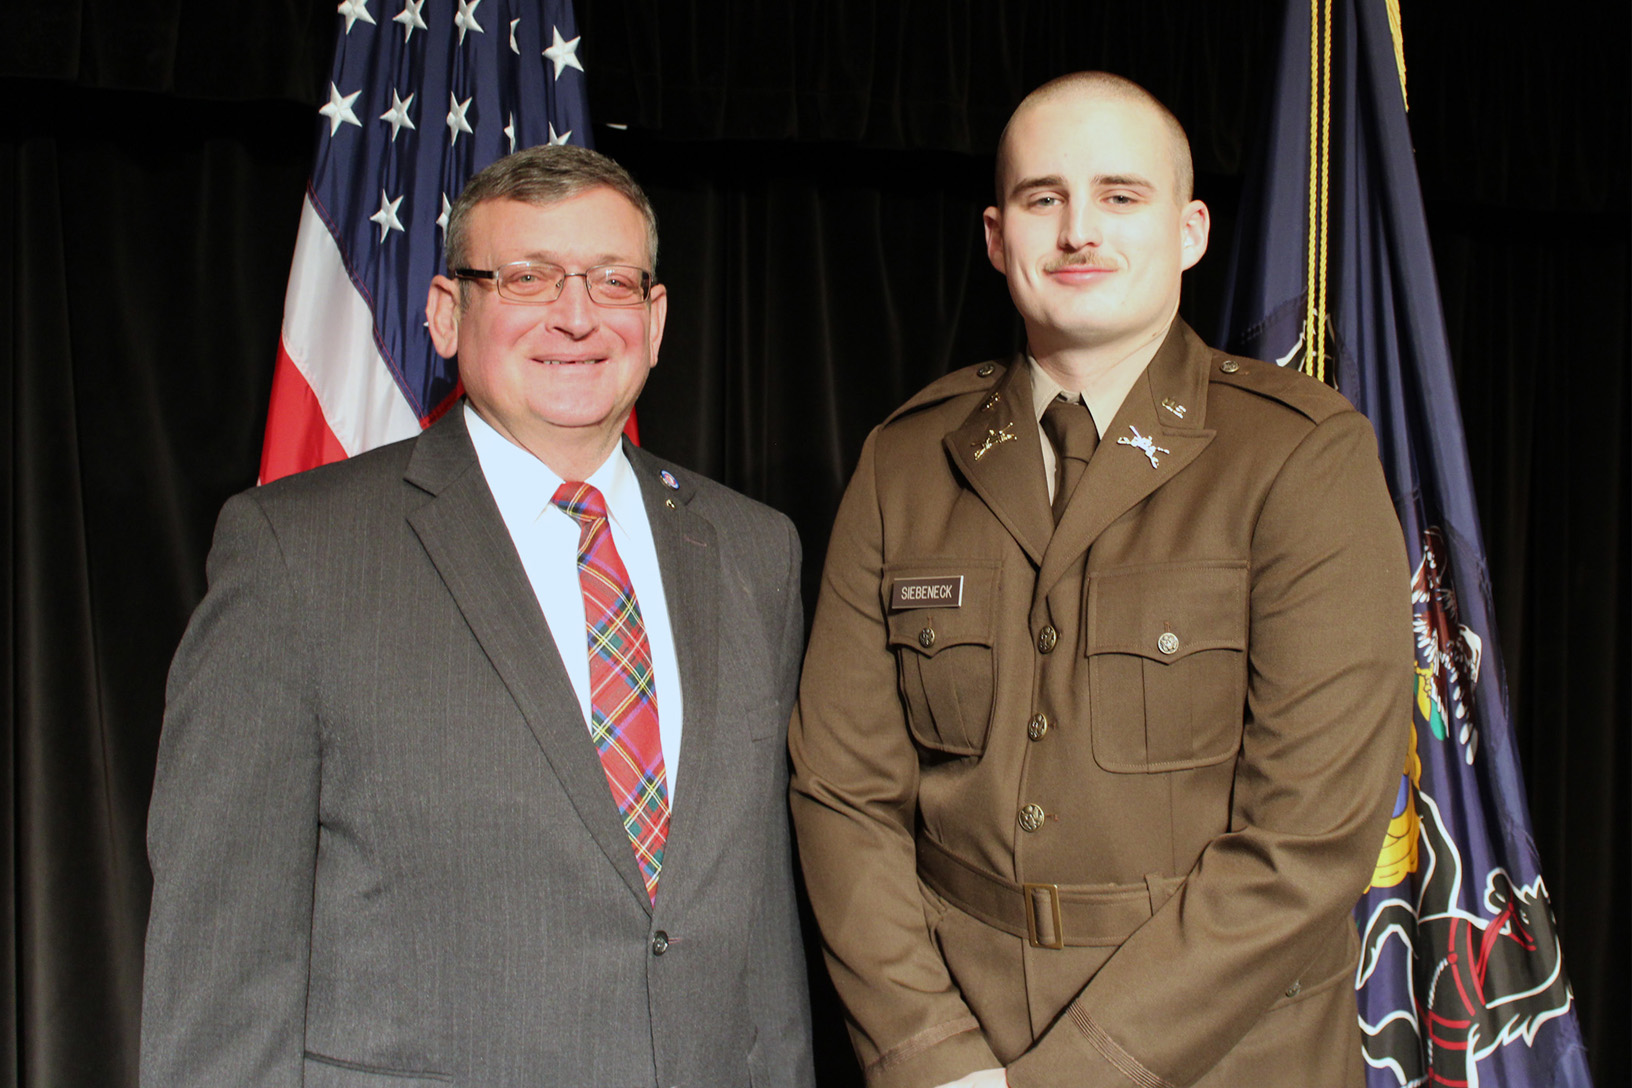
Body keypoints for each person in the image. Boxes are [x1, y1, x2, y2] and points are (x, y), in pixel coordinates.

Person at [141, 145, 814, 1088]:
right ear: (448, 313)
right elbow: (221, 959)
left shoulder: (754, 551)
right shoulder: (293, 553)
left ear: (655, 321)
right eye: (528, 277)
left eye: (612, 281)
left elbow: (762, 932)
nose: (576, 316)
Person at [789, 72, 1411, 1088]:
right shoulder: (904, 462)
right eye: (1044, 198)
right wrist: (931, 1055)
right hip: (961, 1044)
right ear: (997, 237)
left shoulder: (1301, 456)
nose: (1079, 230)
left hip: (1230, 1050)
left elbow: (1309, 835)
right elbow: (843, 792)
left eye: (1121, 196)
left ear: (1193, 229)